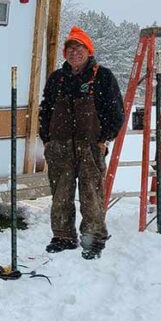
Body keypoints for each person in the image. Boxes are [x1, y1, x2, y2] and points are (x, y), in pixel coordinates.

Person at [39, 26, 124, 260]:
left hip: (90, 146)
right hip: (60, 147)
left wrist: (104, 138)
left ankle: (94, 238)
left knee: (91, 194)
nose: (75, 53)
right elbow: (45, 110)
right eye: (70, 49)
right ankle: (63, 236)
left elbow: (116, 112)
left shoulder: (102, 76)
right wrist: (46, 139)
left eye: (80, 49)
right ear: (65, 54)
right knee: (61, 195)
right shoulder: (57, 78)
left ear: (88, 51)